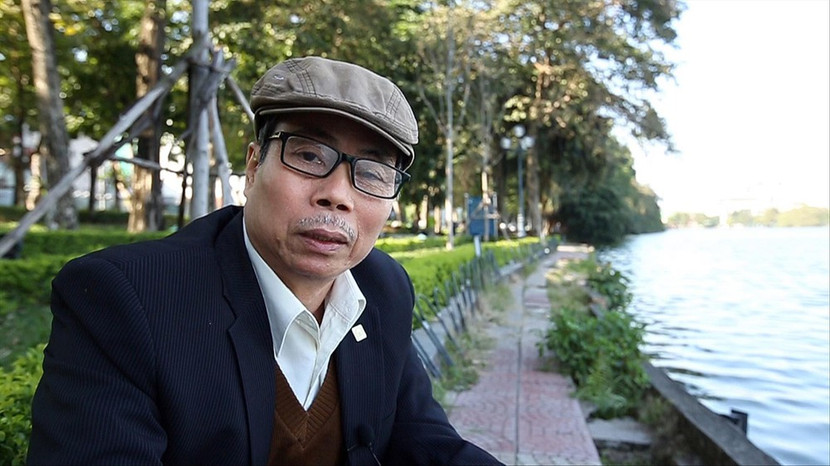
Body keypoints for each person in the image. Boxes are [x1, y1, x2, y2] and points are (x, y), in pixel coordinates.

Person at [27, 57, 502, 465]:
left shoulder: (383, 288)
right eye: (309, 156)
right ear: (254, 166)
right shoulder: (126, 299)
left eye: (373, 173)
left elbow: (422, 439)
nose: (337, 195)